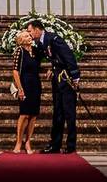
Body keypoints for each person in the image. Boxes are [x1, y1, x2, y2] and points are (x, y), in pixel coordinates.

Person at [26, 19, 81, 153]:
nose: (29, 34)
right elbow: (55, 59)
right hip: (57, 78)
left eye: (30, 31)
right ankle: (55, 145)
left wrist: (75, 77)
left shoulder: (54, 39)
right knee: (57, 113)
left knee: (69, 113)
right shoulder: (43, 41)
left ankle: (71, 145)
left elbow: (68, 56)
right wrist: (53, 69)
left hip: (66, 79)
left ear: (38, 29)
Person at [11, 30, 40, 153]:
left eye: (29, 35)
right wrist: (20, 89)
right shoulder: (20, 51)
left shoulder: (36, 51)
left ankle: (28, 142)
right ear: (21, 39)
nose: (30, 37)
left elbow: (38, 67)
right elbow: (15, 71)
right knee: (24, 114)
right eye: (27, 36)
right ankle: (18, 142)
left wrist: (49, 70)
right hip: (25, 84)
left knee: (33, 115)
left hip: (36, 85)